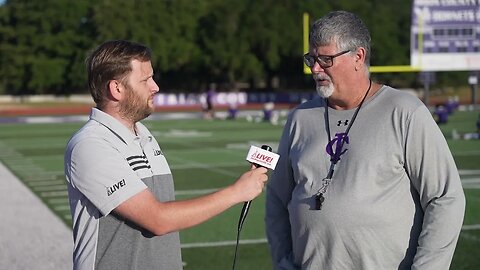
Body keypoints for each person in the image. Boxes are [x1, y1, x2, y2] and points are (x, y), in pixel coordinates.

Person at [265, 11, 465, 270]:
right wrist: (283, 262)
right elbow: (278, 199)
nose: (315, 69)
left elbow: (445, 197)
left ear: (358, 56)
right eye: (311, 59)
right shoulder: (299, 119)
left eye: (326, 59)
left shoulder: (404, 112)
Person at [64, 40, 268, 270]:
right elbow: (157, 219)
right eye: (145, 80)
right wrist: (236, 192)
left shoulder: (144, 135)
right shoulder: (91, 145)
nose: (155, 87)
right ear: (116, 89)